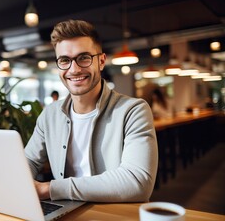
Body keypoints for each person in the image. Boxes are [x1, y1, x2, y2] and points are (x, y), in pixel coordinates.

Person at [25, 20, 158, 202]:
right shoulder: (50, 114)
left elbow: (137, 182)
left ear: (101, 61)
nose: (74, 69)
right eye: (64, 60)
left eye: (84, 58)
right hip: (68, 212)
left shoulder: (133, 111)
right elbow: (29, 161)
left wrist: (49, 189)